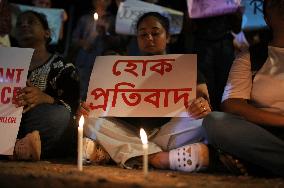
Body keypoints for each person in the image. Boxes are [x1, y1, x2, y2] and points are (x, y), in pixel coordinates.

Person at [81, 12, 212, 173]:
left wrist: (202, 106)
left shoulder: (185, 66)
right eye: (143, 34)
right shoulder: (122, 69)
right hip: (129, 132)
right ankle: (159, 158)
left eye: (155, 33)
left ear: (168, 36)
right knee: (87, 120)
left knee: (206, 121)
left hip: (169, 133)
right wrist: (88, 108)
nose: (149, 38)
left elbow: (204, 101)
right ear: (137, 38)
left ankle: (122, 152)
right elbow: (100, 105)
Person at [203, 0, 284, 177]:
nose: (282, 6)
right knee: (215, 121)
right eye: (275, 3)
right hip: (265, 134)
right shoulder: (253, 56)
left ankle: (260, 165)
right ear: (266, 16)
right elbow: (232, 104)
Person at [12, 10, 80, 160]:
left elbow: (73, 108)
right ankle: (17, 148)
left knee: (59, 116)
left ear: (47, 33)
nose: (24, 25)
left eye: (31, 22)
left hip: (36, 124)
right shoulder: (5, 61)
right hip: (6, 119)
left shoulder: (63, 67)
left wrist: (45, 98)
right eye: (19, 23)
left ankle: (19, 148)